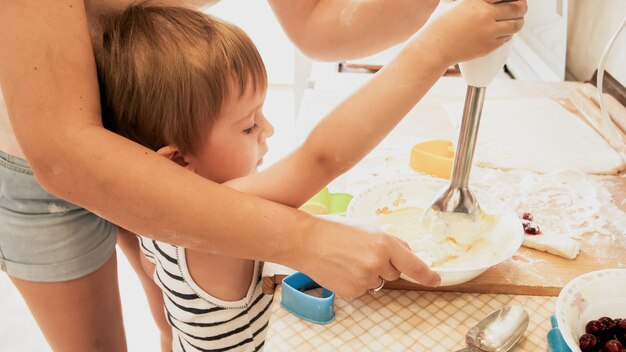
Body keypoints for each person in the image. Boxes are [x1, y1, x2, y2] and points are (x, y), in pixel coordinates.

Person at [0, 0, 526, 351]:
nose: (269, 130)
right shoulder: (211, 232)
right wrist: (434, 51)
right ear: (175, 161)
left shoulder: (158, 213)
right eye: (249, 125)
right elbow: (322, 157)